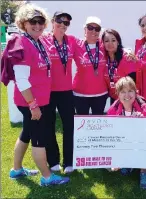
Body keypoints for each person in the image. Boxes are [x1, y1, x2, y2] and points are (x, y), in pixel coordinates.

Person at [6, 4, 69, 186]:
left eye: (41, 21)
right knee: (39, 139)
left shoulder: (37, 41)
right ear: (23, 23)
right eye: (32, 21)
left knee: (26, 133)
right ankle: (47, 177)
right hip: (32, 103)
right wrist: (33, 105)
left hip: (37, 100)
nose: (38, 25)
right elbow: (22, 79)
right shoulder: (22, 44)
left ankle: (16, 170)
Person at [41, 11, 75, 174]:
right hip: (47, 91)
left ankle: (69, 161)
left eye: (66, 22)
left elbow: (94, 44)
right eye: (60, 21)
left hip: (67, 92)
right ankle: (53, 160)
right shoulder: (43, 39)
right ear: (53, 21)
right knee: (49, 126)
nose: (63, 24)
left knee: (69, 126)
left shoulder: (72, 41)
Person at [107, 76, 146, 190]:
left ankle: (144, 172)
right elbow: (109, 136)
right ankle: (127, 163)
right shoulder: (113, 110)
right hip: (124, 143)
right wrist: (114, 159)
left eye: (130, 91)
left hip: (142, 143)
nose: (127, 95)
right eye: (123, 92)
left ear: (135, 92)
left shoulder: (144, 109)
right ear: (117, 94)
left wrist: (142, 123)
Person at [73, 16, 108, 115]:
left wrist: (127, 51)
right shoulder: (76, 44)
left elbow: (116, 46)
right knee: (82, 123)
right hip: (80, 93)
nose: (93, 31)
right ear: (85, 29)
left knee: (98, 124)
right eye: (90, 28)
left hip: (101, 93)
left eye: (97, 29)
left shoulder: (104, 45)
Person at [102, 28, 136, 104]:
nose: (110, 43)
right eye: (106, 41)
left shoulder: (127, 57)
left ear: (118, 42)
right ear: (103, 43)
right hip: (113, 98)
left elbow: (133, 82)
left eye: (113, 40)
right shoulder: (103, 59)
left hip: (127, 98)